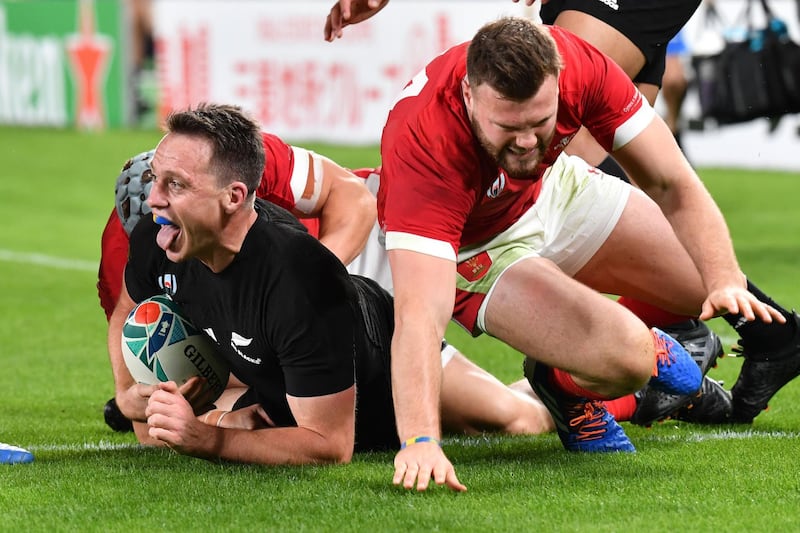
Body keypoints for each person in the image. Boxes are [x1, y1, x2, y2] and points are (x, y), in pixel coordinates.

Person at [325, 0, 800, 430]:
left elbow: (670, 181)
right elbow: (419, 317)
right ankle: (576, 381)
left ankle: (623, 356)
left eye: (540, 122)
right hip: (482, 252)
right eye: (510, 126)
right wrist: (420, 441)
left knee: (702, 273)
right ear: (469, 95)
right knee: (627, 360)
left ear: (559, 80)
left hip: (555, 190)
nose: (529, 140)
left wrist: (722, 279)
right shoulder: (424, 144)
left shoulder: (579, 64)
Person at [107, 103, 559, 465]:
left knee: (514, 420)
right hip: (278, 374)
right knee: (261, 405)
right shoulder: (160, 236)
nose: (154, 199)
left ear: (234, 196)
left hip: (375, 355)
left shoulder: (296, 280)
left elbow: (329, 445)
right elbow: (127, 311)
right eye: (155, 180)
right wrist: (132, 396)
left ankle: (558, 387)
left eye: (176, 184)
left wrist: (209, 438)